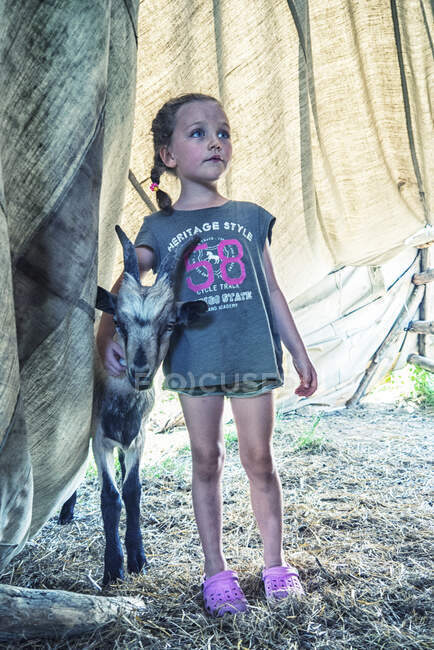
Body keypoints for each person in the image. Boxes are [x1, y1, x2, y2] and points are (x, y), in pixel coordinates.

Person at [97, 93, 317, 616]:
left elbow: (272, 289)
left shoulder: (247, 215)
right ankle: (216, 571)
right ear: (168, 156)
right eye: (197, 133)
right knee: (206, 460)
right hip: (196, 363)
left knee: (259, 460)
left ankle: (274, 564)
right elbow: (129, 280)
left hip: (251, 355)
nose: (215, 140)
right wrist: (111, 338)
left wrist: (300, 353)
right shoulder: (159, 228)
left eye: (222, 132)